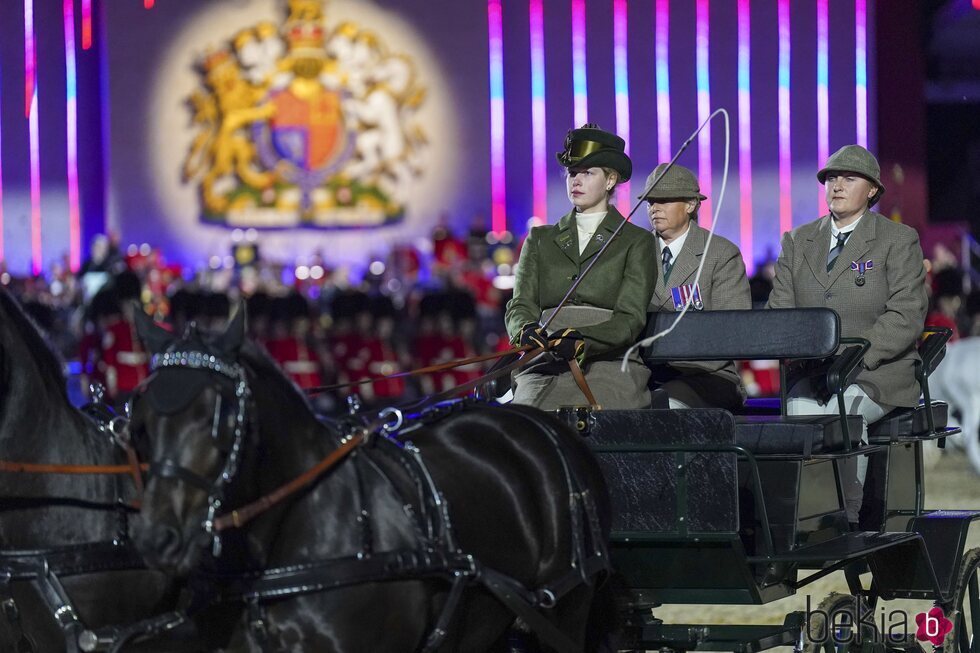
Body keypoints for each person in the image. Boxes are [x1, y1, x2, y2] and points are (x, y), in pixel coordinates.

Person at [767, 144, 928, 526]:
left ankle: (845, 517)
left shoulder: (897, 239)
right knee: (796, 417)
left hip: (877, 373)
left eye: (848, 179)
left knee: (844, 414)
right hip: (813, 372)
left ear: (872, 190)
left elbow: (906, 315)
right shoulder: (798, 240)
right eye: (831, 178)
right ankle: (795, 520)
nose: (836, 185)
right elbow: (780, 312)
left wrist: (856, 358)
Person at [505, 124, 656, 410]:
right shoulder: (539, 239)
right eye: (573, 173)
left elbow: (630, 319)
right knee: (525, 423)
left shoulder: (637, 241)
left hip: (608, 363)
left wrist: (583, 338)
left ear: (611, 180)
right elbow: (520, 304)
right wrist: (524, 329)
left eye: (588, 173)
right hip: (544, 362)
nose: (577, 180)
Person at [643, 163, 751, 410]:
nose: (655, 208)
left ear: (691, 205)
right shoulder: (635, 252)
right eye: (651, 202)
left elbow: (733, 330)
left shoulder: (720, 254)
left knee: (663, 404)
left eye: (665, 200)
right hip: (644, 374)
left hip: (708, 375)